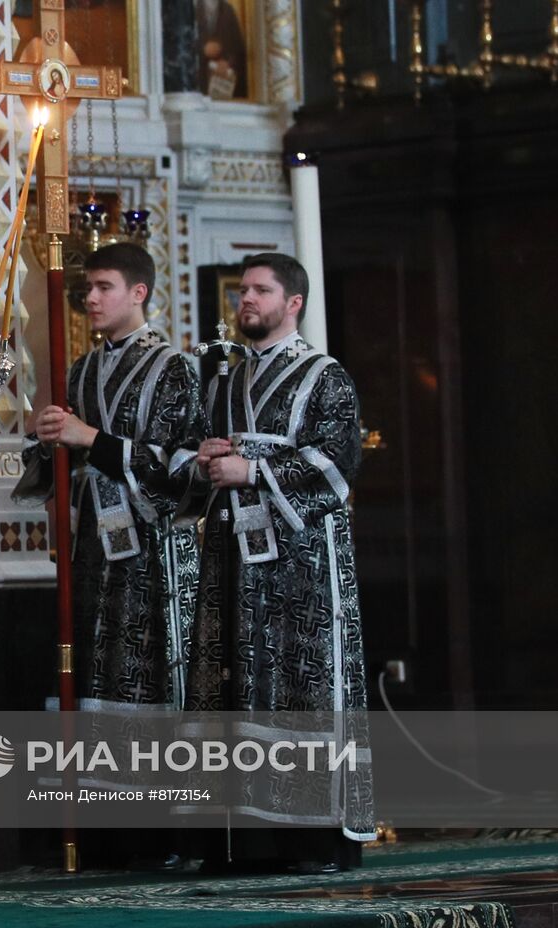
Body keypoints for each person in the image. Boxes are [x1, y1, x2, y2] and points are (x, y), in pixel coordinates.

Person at [182, 252, 374, 873]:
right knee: (232, 685)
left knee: (302, 687)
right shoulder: (224, 382)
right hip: (233, 562)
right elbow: (191, 467)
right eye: (243, 291)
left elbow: (336, 467)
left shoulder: (327, 377)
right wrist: (207, 459)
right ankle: (242, 835)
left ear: (292, 304)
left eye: (261, 291)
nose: (247, 301)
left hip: (300, 569)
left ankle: (314, 839)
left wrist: (253, 470)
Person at [16, 241, 201, 712]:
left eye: (104, 287)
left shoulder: (175, 368)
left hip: (150, 546)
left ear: (138, 292)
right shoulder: (81, 370)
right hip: (92, 544)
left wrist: (90, 439)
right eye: (87, 288)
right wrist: (46, 437)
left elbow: (181, 466)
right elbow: (63, 458)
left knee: (141, 662)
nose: (91, 299)